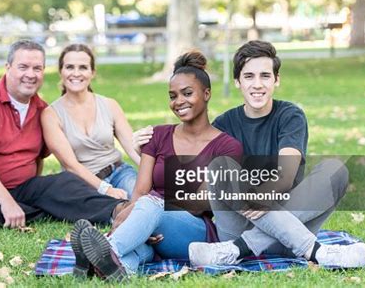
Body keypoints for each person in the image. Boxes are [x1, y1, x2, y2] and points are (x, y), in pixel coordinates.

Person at [135, 41, 365, 268]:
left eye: (265, 76)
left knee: (335, 169)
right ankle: (318, 252)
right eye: (249, 76)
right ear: (237, 81)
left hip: (285, 234)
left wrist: (261, 195)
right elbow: (198, 192)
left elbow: (286, 176)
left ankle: (238, 250)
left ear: (276, 80)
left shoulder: (290, 116)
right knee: (221, 167)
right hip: (237, 227)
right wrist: (148, 158)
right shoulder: (223, 125)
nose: (257, 84)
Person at [70, 51, 242, 281]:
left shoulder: (228, 147)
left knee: (151, 205)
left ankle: (105, 250)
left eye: (187, 93)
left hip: (193, 231)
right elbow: (140, 191)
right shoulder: (158, 136)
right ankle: (103, 269)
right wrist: (140, 222)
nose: (178, 101)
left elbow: (200, 203)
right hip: (147, 220)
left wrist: (149, 214)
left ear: (207, 93)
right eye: (172, 96)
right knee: (137, 252)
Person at [0, 40, 129, 228]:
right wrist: (7, 202)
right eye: (23, 67)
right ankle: (46, 210)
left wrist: (30, 188)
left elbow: (37, 158)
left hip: (18, 189)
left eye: (37, 68)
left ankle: (119, 212)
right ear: (8, 67)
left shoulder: (41, 110)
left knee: (65, 182)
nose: (30, 74)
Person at [41, 44, 139, 200]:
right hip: (83, 184)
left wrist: (155, 172)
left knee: (147, 201)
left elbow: (133, 148)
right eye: (69, 67)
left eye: (83, 67)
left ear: (92, 72)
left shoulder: (109, 105)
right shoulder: (51, 115)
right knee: (116, 210)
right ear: (61, 71)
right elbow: (70, 165)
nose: (76, 73)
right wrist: (106, 189)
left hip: (120, 173)